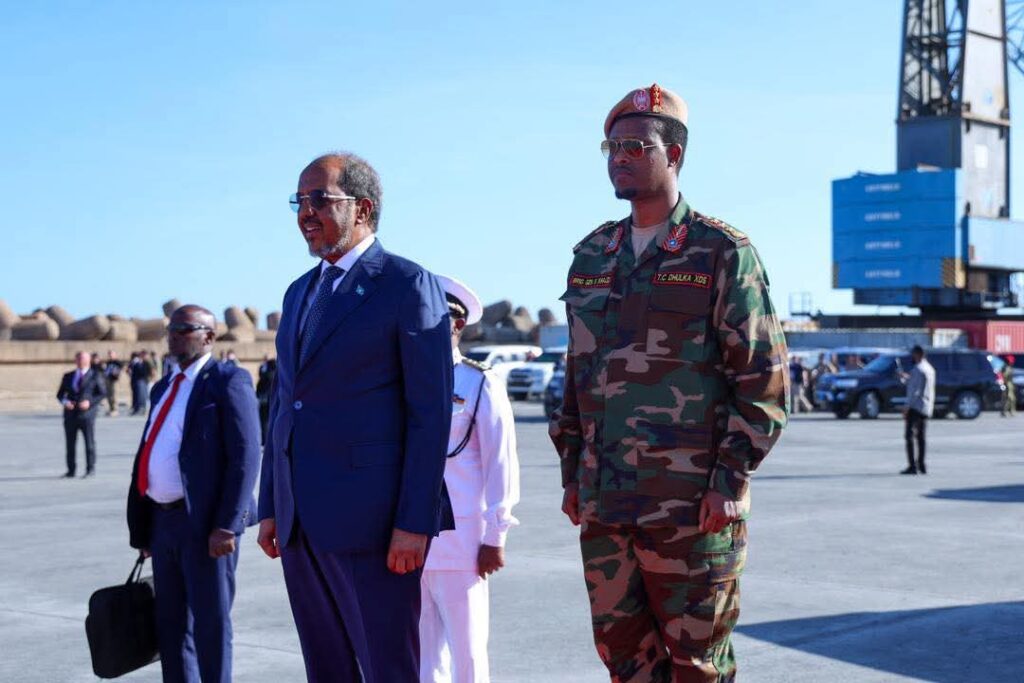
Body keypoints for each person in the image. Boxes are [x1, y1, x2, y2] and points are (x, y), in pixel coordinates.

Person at [550, 83, 789, 682]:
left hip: (691, 508)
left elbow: (762, 379)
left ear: (673, 155)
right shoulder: (593, 254)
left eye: (635, 146)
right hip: (606, 503)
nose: (619, 157)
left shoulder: (721, 252)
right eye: (611, 147)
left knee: (697, 666)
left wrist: (730, 480)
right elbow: (578, 374)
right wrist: (572, 471)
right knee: (625, 663)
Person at [257, 152, 454, 682]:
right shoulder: (299, 292)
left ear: (362, 208)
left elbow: (430, 414)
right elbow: (284, 405)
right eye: (300, 201)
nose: (306, 212)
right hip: (301, 523)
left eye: (320, 199)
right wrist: (272, 503)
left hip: (375, 526)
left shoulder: (406, 284)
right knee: (326, 668)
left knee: (387, 668)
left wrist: (415, 521)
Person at [126, 305, 261, 682]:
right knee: (170, 626)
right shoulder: (163, 386)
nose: (173, 336)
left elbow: (246, 456)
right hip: (162, 523)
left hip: (205, 525)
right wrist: (144, 528)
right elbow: (149, 449)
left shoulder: (227, 380)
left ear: (209, 337)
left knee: (210, 624)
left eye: (184, 329)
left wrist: (228, 525)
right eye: (171, 329)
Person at [420, 275, 520, 683]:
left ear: (458, 324)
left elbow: (501, 463)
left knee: (468, 653)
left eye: (435, 317)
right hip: (408, 540)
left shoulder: (479, 382)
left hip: (463, 542)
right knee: (421, 656)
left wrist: (496, 536)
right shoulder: (404, 379)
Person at [56, 350, 107, 477]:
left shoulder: (95, 375)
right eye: (78, 358)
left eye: (83, 358)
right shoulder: (68, 376)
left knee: (89, 443)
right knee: (70, 444)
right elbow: (60, 394)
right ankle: (71, 470)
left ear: (89, 360)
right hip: (70, 414)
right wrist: (65, 402)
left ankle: (90, 469)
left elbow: (102, 393)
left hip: (87, 414)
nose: (80, 361)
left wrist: (90, 402)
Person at [902, 345, 935, 475]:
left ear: (918, 354)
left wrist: (907, 406)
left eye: (913, 354)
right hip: (926, 406)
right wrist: (906, 378)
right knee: (921, 437)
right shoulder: (930, 369)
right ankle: (921, 464)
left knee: (909, 436)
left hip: (915, 406)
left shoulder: (917, 369)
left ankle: (912, 466)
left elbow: (914, 391)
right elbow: (919, 384)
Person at [255, 355, 277, 443]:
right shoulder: (277, 376)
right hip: (272, 400)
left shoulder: (266, 375)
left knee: (264, 420)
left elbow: (259, 387)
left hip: (264, 400)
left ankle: (265, 439)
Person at [130, 350, 155, 415]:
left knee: (146, 396)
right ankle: (140, 409)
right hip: (141, 381)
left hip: (147, 381)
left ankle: (147, 409)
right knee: (141, 396)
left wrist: (151, 379)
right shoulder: (139, 362)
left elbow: (152, 371)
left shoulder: (148, 362)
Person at [103, 350, 124, 416]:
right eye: (109, 355)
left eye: (111, 354)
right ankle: (111, 408)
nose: (110, 356)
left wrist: (116, 372)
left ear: (115, 355)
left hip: (114, 380)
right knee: (109, 395)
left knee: (114, 395)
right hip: (108, 379)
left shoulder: (118, 362)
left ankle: (115, 409)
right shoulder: (108, 362)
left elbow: (121, 368)